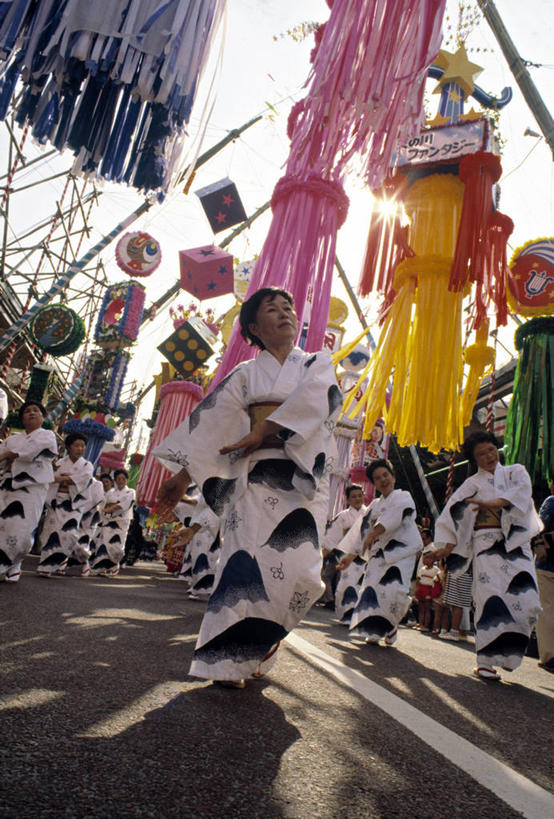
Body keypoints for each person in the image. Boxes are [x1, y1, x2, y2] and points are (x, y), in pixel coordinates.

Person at [154, 286, 342, 689]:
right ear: (254, 327)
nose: (284, 313)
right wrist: (180, 477)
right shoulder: (244, 375)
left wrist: (265, 429)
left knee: (304, 575)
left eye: (288, 307)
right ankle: (225, 660)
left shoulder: (315, 363)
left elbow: (316, 403)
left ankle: (262, 638)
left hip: (300, 478)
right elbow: (213, 431)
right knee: (244, 569)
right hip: (252, 480)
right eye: (272, 309)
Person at [433, 431, 541, 681]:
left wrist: (493, 504)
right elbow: (453, 514)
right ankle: (485, 660)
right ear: (475, 459)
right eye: (481, 454)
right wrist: (447, 546)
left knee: (527, 601)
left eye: (491, 450)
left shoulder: (516, 471)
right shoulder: (472, 484)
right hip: (485, 545)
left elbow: (522, 494)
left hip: (515, 544)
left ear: (497, 449)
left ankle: (509, 652)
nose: (489, 456)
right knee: (490, 599)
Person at [337, 459, 422, 646]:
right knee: (371, 591)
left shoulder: (403, 497)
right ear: (374, 484)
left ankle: (391, 625)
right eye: (377, 478)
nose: (383, 480)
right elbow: (362, 534)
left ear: (393, 476)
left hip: (401, 551)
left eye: (385, 475)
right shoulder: (374, 505)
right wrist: (350, 557)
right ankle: (375, 629)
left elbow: (394, 516)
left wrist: (375, 532)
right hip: (378, 555)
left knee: (395, 591)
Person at [0, 401, 57, 583]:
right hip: (7, 485)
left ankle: (7, 564)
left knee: (21, 528)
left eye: (36, 411)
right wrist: (7, 456)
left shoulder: (47, 436)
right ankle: (12, 565)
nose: (31, 413)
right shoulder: (13, 438)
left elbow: (29, 451)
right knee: (3, 526)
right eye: (27, 411)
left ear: (42, 417)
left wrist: (10, 455)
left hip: (32, 488)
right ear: (22, 417)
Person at [37, 433, 94, 577]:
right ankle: (46, 565)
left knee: (69, 535)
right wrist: (65, 480)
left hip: (73, 504)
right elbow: (50, 479)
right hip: (56, 501)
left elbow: (80, 481)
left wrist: (61, 480)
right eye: (76, 445)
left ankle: (68, 558)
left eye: (82, 446)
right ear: (69, 447)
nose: (80, 448)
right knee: (51, 532)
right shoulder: (60, 463)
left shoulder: (87, 465)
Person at [321, 484, 367, 622]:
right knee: (346, 582)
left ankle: (359, 614)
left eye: (360, 495)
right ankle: (345, 613)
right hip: (346, 555)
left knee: (362, 585)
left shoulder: (370, 513)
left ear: (364, 496)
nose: (357, 499)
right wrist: (327, 549)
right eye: (353, 496)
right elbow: (332, 537)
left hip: (365, 555)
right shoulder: (343, 516)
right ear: (348, 499)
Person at [90, 468, 135, 576]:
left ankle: (114, 565)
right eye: (118, 479)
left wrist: (112, 507)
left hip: (121, 523)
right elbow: (103, 505)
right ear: (115, 480)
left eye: (123, 479)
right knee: (104, 544)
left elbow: (124, 505)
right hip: (108, 521)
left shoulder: (131, 492)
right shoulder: (110, 492)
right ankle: (99, 567)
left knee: (117, 546)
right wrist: (106, 510)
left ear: (126, 480)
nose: (120, 481)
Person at [535, 482, 554, 671]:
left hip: (546, 563)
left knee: (547, 609)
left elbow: (539, 527)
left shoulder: (551, 502)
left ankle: (549, 655)